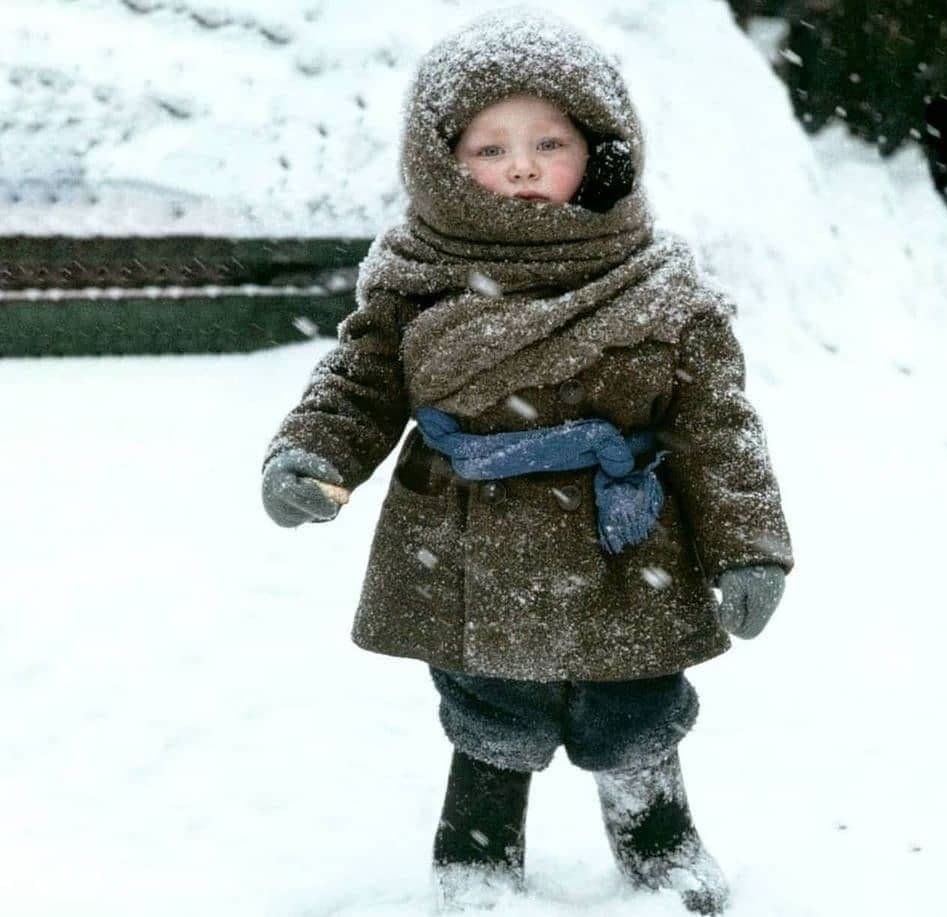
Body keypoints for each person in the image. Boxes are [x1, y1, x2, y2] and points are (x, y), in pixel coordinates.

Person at [261, 8, 793, 914]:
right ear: (443, 161)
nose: (520, 167)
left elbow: (717, 425)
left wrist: (750, 544)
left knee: (635, 701)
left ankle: (657, 837)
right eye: (489, 147)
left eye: (549, 142)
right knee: (489, 704)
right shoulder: (417, 269)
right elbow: (361, 378)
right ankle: (477, 852)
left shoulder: (659, 281)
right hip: (470, 537)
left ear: (601, 151)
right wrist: (313, 450)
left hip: (623, 541)